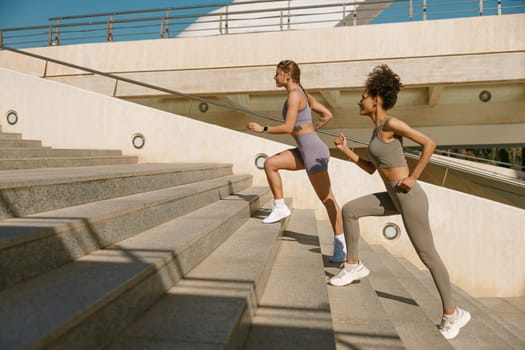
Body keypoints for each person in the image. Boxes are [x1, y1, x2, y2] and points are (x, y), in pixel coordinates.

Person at [329, 64, 470, 340]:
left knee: (428, 255)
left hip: (409, 197)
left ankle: (453, 314)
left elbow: (429, 143)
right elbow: (372, 168)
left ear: (376, 98)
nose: (360, 100)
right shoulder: (375, 130)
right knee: (350, 210)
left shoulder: (392, 124)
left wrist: (414, 176)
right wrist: (346, 150)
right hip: (393, 195)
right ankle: (353, 264)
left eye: (363, 95)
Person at [247, 59, 346, 263]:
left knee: (328, 200)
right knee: (270, 164)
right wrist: (313, 128)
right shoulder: (304, 94)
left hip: (312, 152)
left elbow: (289, 127)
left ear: (287, 75)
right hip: (307, 149)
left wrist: (262, 129)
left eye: (277, 73)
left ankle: (341, 246)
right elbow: (327, 114)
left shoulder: (295, 95)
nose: (274, 77)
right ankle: (280, 206)